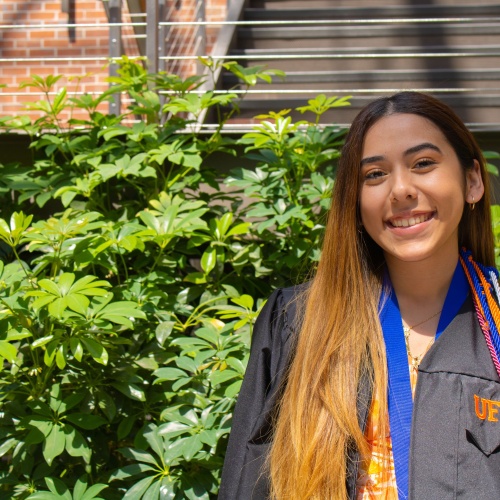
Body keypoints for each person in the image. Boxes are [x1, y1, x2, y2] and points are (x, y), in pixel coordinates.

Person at [218, 92, 500, 500]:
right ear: (355, 199)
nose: (400, 189)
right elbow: (247, 485)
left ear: (472, 180)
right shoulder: (298, 324)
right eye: (374, 175)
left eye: (423, 164)